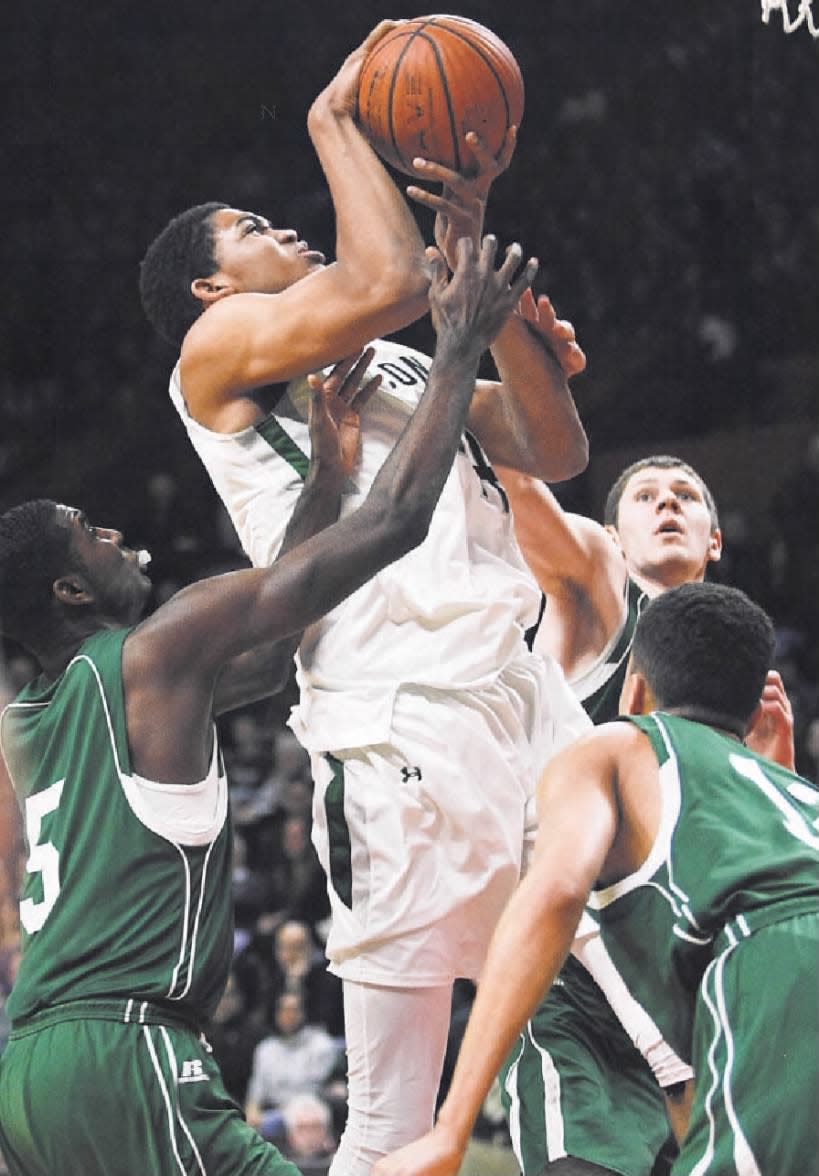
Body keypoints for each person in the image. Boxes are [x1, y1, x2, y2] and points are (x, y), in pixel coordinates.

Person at [138, 20, 591, 1175]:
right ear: (208, 284)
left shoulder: (386, 360)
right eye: (250, 229)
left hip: (524, 688)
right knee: (393, 1119)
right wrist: (332, 118)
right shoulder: (217, 352)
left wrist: (483, 264)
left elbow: (554, 444)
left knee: (619, 1010)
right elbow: (381, 278)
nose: (281, 225)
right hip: (397, 715)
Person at [0, 231, 535, 1176]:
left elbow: (274, 652)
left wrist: (324, 475)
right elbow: (398, 522)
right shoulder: (155, 652)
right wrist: (456, 346)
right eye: (89, 532)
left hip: (30, 1066)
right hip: (126, 1048)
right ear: (69, 594)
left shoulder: (37, 720)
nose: (114, 530)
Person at [376, 581, 819, 1176]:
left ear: (634, 690)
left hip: (775, 963)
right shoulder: (795, 792)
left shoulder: (616, 745)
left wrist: (451, 1129)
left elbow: (555, 893)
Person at [494, 437, 795, 1175]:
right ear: (611, 536)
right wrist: (495, 396)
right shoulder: (597, 595)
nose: (667, 501)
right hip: (580, 985)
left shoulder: (736, 670)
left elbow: (736, 849)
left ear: (715, 540)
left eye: (685, 496)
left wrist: (776, 763)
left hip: (692, 993)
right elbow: (517, 492)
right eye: (646, 495)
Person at [244, 992, 343, 1136]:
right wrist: (252, 1113)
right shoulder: (265, 1049)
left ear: (304, 1012)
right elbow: (256, 1094)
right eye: (283, 1010)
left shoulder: (321, 1044)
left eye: (294, 1010)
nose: (288, 1016)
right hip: (275, 1114)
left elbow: (319, 1088)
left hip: (311, 1110)